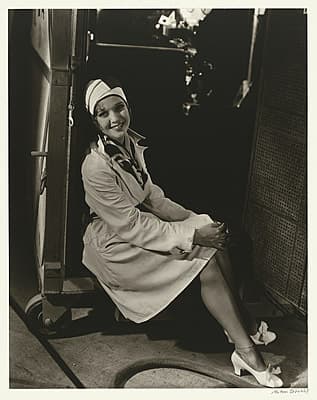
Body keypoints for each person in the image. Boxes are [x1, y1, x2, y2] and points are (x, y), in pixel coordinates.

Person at [81, 77, 283, 388]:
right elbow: (131, 225)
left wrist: (197, 221)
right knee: (205, 256)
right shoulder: (95, 166)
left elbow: (153, 198)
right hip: (114, 244)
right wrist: (192, 236)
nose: (114, 118)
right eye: (103, 113)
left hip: (137, 227)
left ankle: (241, 325)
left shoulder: (129, 145)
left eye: (118, 108)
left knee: (214, 238)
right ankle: (246, 351)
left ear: (127, 107)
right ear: (95, 121)